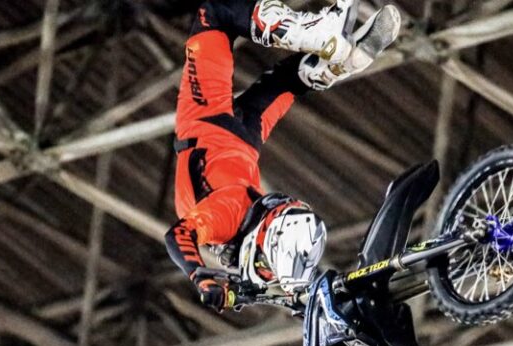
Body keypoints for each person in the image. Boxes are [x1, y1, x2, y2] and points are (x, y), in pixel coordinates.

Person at [165, 0, 401, 311]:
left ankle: (334, 65)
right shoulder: (227, 218)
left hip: (244, 140)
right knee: (214, 14)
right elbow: (178, 235)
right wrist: (199, 276)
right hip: (208, 123)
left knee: (289, 80)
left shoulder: (234, 223)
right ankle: (317, 33)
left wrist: (227, 282)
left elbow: (203, 244)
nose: (266, 271)